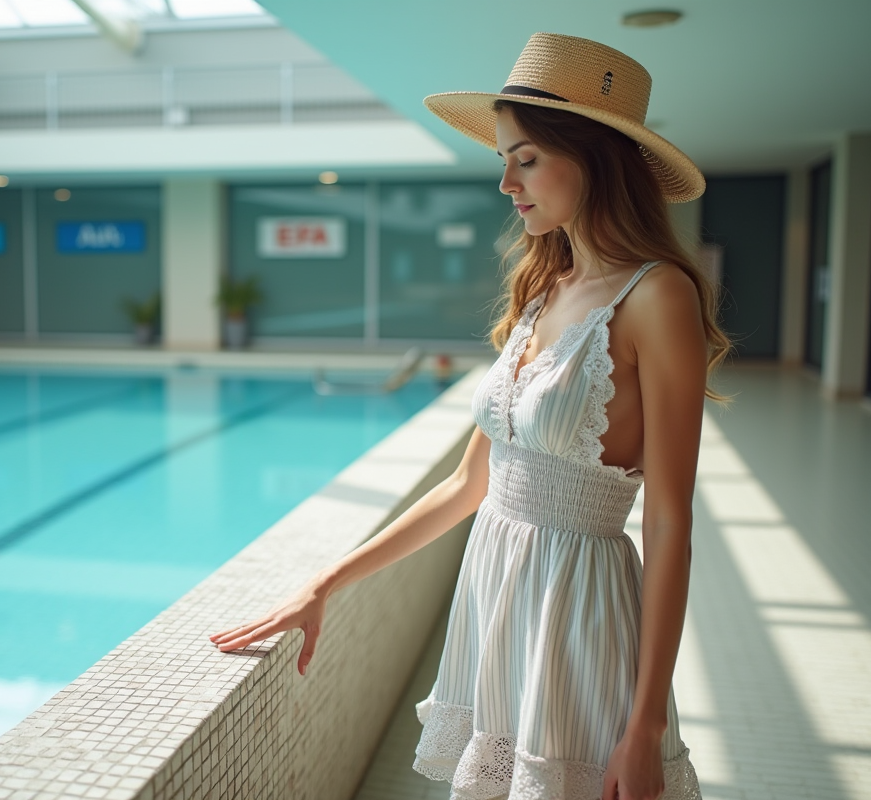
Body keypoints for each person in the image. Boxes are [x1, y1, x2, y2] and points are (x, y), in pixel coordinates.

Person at [209, 32, 729, 800]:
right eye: (503, 161)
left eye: (525, 159)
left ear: (594, 158)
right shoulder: (544, 289)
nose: (506, 184)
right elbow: (466, 487)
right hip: (497, 604)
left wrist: (646, 725)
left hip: (579, 611)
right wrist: (326, 581)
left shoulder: (658, 297)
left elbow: (670, 522)